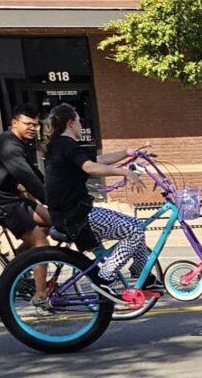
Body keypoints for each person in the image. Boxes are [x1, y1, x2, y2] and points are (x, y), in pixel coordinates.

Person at [42, 103, 164, 298]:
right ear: (70, 123)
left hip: (75, 212)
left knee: (135, 225)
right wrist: (124, 172)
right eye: (79, 122)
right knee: (135, 229)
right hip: (75, 217)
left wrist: (129, 152)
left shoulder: (62, 146)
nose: (81, 126)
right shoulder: (66, 144)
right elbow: (90, 167)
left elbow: (99, 160)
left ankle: (143, 277)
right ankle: (105, 278)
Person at [0, 103, 51, 302]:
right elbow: (25, 176)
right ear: (14, 123)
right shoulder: (8, 145)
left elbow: (33, 173)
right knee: (41, 243)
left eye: (35, 125)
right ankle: (41, 295)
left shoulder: (18, 143)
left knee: (52, 221)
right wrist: (49, 199)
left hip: (12, 198)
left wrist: (54, 195)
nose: (32, 128)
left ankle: (17, 263)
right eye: (28, 124)